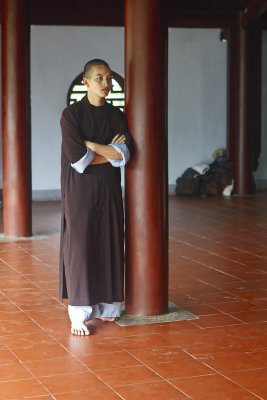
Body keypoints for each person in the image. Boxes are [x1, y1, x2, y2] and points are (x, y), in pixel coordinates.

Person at [59, 59, 133, 336]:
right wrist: (108, 152)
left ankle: (108, 307)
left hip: (109, 189)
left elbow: (125, 154)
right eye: (100, 78)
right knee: (80, 245)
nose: (106, 83)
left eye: (109, 78)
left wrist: (93, 146)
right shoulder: (72, 114)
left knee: (110, 240)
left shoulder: (116, 114)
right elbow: (77, 158)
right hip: (79, 190)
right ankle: (79, 312)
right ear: (86, 82)